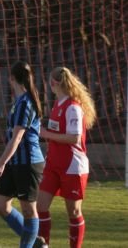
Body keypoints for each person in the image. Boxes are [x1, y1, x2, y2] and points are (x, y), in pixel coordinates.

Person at [36, 67, 96, 248]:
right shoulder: (57, 104)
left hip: (73, 166)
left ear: (54, 83)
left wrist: (46, 133)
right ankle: (43, 245)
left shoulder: (73, 108)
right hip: (53, 164)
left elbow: (74, 138)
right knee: (40, 206)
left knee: (74, 211)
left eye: (50, 82)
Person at [0, 61, 45, 248]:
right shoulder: (18, 102)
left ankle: (28, 244)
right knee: (0, 205)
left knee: (29, 210)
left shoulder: (26, 103)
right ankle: (35, 241)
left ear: (11, 78)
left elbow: (17, 138)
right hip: (14, 161)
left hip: (27, 163)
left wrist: (1, 162)